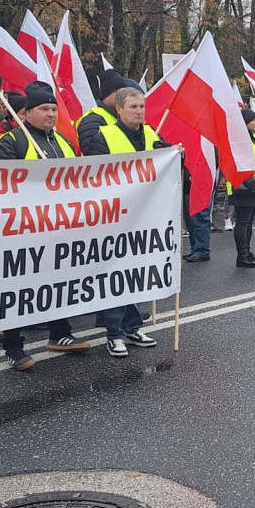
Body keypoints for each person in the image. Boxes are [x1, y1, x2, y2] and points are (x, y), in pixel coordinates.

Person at [0, 81, 89, 368]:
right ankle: (13, 347)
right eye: (44, 109)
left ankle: (60, 334)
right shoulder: (11, 141)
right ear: (27, 113)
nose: (50, 114)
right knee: (18, 288)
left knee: (58, 281)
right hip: (23, 229)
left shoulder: (64, 143)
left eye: (53, 109)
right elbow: (1, 184)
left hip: (60, 227)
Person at [84, 86, 164, 356]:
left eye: (141, 106)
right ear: (118, 109)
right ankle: (114, 334)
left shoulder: (152, 134)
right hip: (114, 219)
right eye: (133, 107)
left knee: (136, 276)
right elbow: (92, 179)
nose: (139, 111)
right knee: (116, 276)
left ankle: (133, 327)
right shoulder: (102, 138)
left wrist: (177, 156)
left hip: (145, 218)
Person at [228, 108, 255, 267]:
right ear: (245, 122)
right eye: (254, 120)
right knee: (243, 222)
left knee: (249, 222)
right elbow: (240, 165)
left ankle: (247, 251)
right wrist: (252, 185)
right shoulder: (239, 140)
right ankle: (241, 255)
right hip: (243, 188)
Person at [77, 69, 133, 155]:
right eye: (117, 92)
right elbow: (93, 157)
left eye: (125, 92)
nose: (123, 97)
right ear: (106, 94)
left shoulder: (124, 116)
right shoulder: (92, 121)